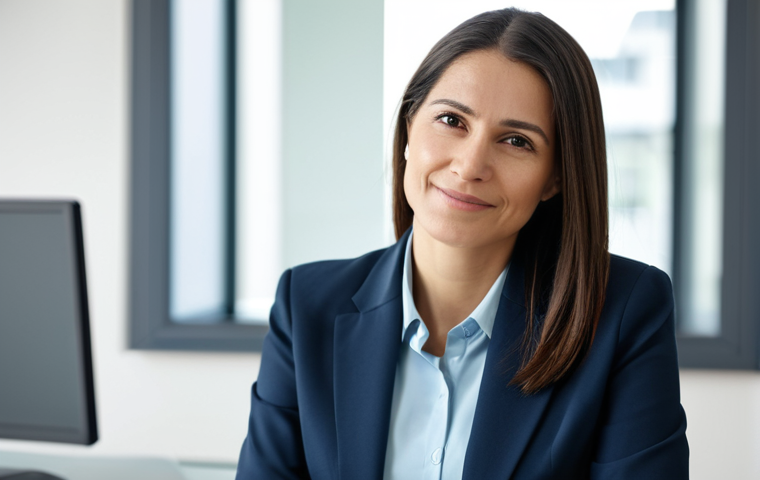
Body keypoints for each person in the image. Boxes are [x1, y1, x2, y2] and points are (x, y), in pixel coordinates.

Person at [236, 7, 689, 480]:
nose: (471, 165)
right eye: (451, 120)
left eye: (516, 141)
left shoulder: (623, 312)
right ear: (410, 126)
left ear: (555, 177)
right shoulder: (306, 306)